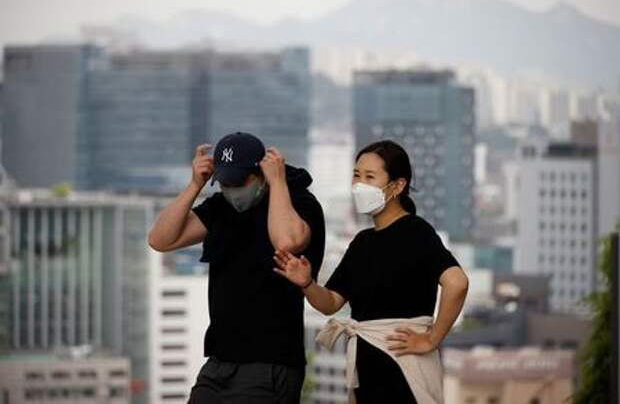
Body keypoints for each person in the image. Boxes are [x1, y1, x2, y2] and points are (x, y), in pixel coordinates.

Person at [273, 140, 469, 403]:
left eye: (369, 177)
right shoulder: (362, 242)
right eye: (356, 175)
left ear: (398, 185)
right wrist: (307, 283)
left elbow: (457, 282)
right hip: (367, 371)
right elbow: (331, 303)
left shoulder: (416, 231)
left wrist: (431, 339)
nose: (359, 185)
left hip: (403, 368)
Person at [148, 132, 325, 404]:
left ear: (261, 172)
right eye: (225, 182)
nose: (232, 189)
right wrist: (195, 185)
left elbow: (286, 242)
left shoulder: (299, 203)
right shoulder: (221, 207)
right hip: (219, 362)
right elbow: (160, 239)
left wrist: (277, 181)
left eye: (239, 180)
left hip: (269, 363)